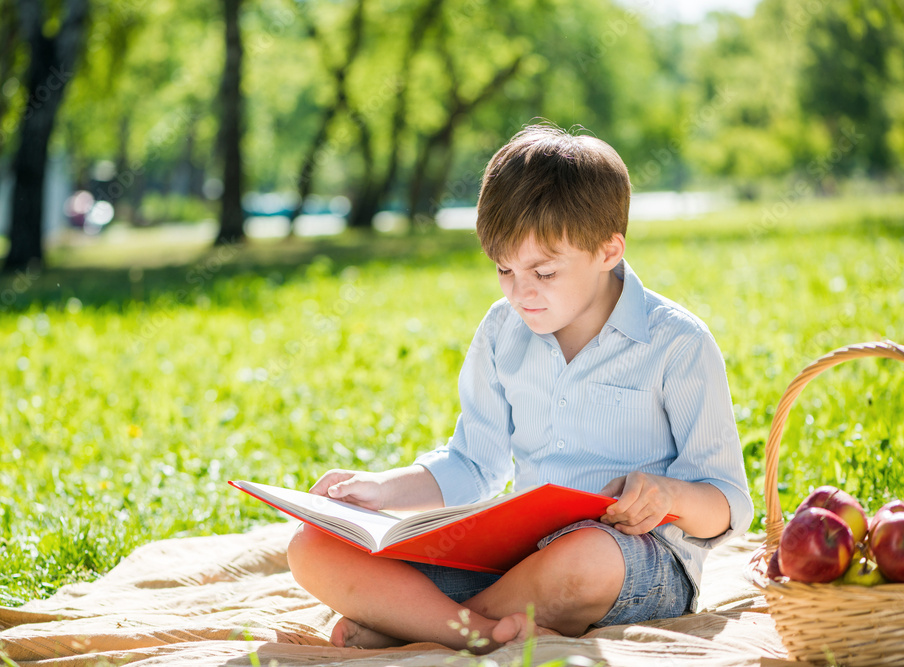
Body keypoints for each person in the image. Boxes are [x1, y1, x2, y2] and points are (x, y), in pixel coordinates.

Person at [286, 123, 754, 653]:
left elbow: (728, 502)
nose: (521, 292)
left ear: (608, 251)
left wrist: (669, 495)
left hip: (634, 562)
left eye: (545, 273)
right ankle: (488, 632)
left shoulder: (677, 343)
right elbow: (474, 463)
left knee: (584, 557)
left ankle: (414, 624)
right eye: (504, 269)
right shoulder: (502, 330)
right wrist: (378, 489)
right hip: (517, 562)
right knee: (313, 548)